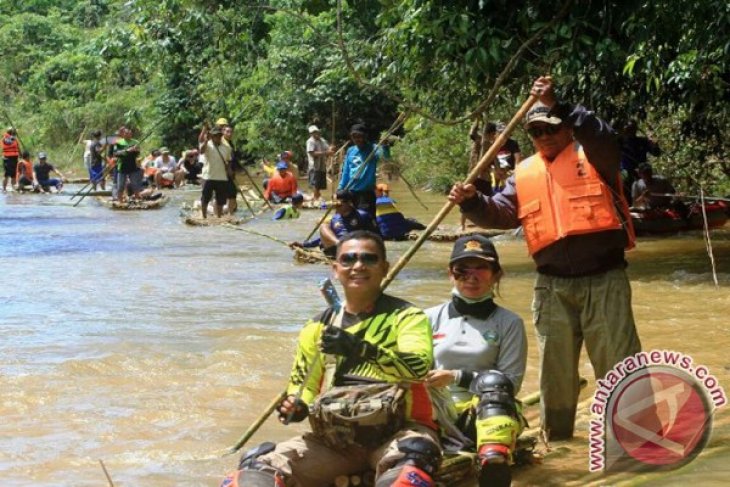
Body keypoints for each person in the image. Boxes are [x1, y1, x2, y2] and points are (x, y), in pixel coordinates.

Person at [448, 76, 642, 441]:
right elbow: (501, 215)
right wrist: (471, 201)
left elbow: (601, 135)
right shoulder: (523, 175)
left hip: (604, 278)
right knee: (556, 374)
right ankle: (558, 442)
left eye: (552, 127)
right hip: (552, 284)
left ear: (567, 127)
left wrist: (558, 104)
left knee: (619, 363)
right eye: (536, 131)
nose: (545, 136)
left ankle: (634, 440)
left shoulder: (596, 155)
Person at [224, 230, 442, 487]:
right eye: (349, 259)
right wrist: (296, 405)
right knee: (254, 468)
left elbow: (417, 369)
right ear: (335, 269)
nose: (358, 265)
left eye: (369, 259)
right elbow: (302, 384)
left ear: (384, 268)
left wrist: (361, 349)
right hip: (336, 443)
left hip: (400, 433)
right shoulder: (316, 327)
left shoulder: (408, 317)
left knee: (412, 465)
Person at [425, 235, 527, 487]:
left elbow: (512, 382)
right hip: (436, 412)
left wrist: (457, 377)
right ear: (450, 274)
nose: (471, 276)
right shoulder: (427, 317)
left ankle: (494, 461)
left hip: (484, 413)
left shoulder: (510, 323)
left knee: (496, 381)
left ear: (496, 274)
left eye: (481, 267)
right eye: (462, 270)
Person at [291, 189, 378, 257]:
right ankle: (340, 243)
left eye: (338, 205)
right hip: (336, 249)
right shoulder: (335, 218)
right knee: (324, 226)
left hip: (354, 249)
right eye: (334, 205)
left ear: (349, 203)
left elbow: (376, 236)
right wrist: (303, 245)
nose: (335, 207)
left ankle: (344, 245)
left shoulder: (363, 216)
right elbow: (323, 239)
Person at [338, 123, 386, 218]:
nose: (357, 139)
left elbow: (385, 157)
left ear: (365, 136)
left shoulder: (373, 149)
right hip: (351, 190)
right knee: (348, 217)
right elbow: (346, 172)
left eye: (360, 136)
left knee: (365, 217)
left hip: (366, 192)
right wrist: (340, 188)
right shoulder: (350, 150)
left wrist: (385, 146)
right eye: (354, 137)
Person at [199, 125, 232, 219]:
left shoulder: (227, 147)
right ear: (212, 136)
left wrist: (229, 169)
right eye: (214, 136)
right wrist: (206, 140)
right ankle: (204, 216)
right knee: (205, 198)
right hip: (208, 176)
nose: (217, 138)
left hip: (221, 177)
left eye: (218, 136)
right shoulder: (208, 145)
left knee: (221, 200)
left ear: (220, 136)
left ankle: (219, 217)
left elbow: (228, 160)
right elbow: (201, 151)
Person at [110, 126, 143, 202]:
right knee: (120, 185)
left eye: (130, 133)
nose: (128, 135)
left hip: (132, 166)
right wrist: (127, 151)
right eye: (126, 133)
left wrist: (135, 150)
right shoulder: (118, 142)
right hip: (122, 166)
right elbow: (116, 153)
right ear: (123, 134)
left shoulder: (135, 142)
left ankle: (138, 199)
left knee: (135, 184)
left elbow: (137, 154)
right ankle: (120, 200)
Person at [306, 124, 332, 202]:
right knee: (315, 182)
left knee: (320, 183)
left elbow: (328, 148)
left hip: (322, 165)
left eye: (316, 132)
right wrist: (326, 152)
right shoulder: (310, 141)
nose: (315, 133)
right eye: (313, 132)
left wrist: (331, 149)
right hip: (314, 165)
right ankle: (316, 197)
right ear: (311, 134)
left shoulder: (322, 140)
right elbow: (312, 153)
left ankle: (317, 196)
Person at [2, 127, 20, 192]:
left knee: (14, 174)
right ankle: (4, 189)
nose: (16, 133)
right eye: (14, 132)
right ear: (11, 132)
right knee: (7, 174)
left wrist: (21, 155)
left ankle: (13, 188)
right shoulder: (5, 138)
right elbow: (9, 142)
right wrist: (13, 137)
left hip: (15, 158)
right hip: (7, 158)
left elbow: (17, 147)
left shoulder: (14, 139)